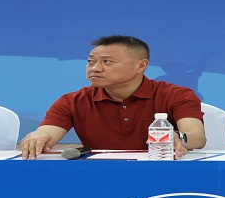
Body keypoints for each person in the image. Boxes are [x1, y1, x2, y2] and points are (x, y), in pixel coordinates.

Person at [19, 35, 206, 159]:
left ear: (141, 65)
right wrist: (38, 137)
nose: (95, 68)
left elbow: (197, 137)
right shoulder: (72, 101)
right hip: (100, 176)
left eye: (107, 62)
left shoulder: (176, 95)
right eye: (90, 61)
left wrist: (177, 137)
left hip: (161, 172)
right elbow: (47, 133)